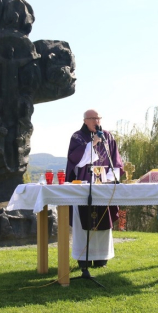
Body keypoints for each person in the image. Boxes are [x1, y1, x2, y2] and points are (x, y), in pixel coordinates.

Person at [65, 109, 124, 268]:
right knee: (83, 225)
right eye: (92, 118)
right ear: (85, 120)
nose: (96, 121)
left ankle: (101, 259)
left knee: (103, 221)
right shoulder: (77, 137)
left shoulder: (108, 136)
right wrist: (93, 143)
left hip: (103, 186)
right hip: (84, 186)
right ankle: (83, 259)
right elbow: (76, 160)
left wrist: (111, 180)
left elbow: (115, 161)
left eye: (98, 118)